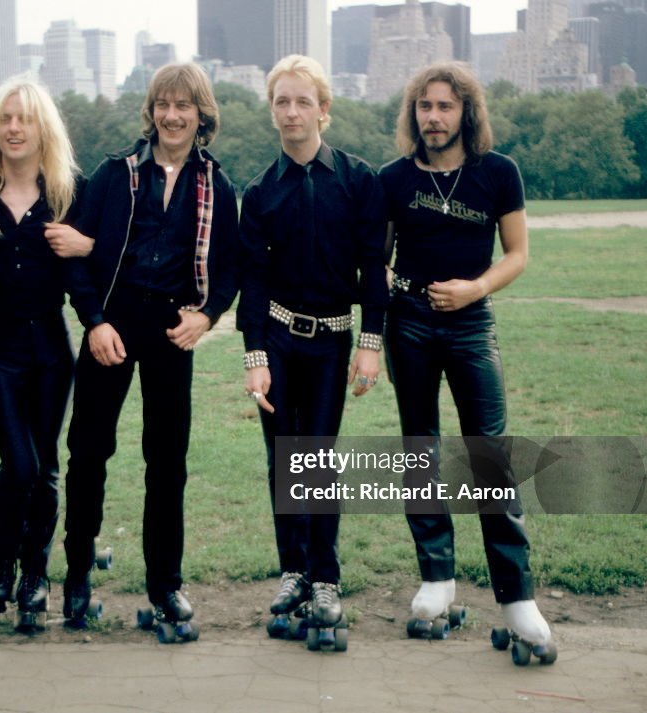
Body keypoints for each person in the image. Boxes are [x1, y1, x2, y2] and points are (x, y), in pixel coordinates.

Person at [379, 62, 554, 658]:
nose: (433, 117)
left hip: (471, 323)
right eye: (424, 107)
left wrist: (474, 289)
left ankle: (516, 595)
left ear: (466, 113)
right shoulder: (393, 178)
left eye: (445, 106)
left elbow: (518, 254)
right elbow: (375, 259)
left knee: (489, 451)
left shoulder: (497, 173)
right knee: (419, 447)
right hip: (409, 323)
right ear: (414, 114)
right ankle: (437, 578)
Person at [61, 63, 239, 631]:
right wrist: (92, 321)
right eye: (163, 104)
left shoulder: (217, 184)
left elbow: (233, 266)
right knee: (88, 452)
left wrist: (207, 316)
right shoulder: (116, 174)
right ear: (151, 111)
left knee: (167, 464)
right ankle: (77, 574)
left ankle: (165, 584)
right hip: (111, 325)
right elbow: (78, 258)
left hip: (171, 330)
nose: (172, 115)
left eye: (184, 105)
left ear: (200, 114)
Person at [236, 54, 387, 638]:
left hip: (331, 342)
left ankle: (325, 576)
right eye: (282, 101)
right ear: (272, 111)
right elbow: (253, 281)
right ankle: (292, 570)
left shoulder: (357, 180)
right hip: (276, 338)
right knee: (282, 460)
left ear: (323, 109)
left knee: (317, 460)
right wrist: (255, 358)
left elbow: (374, 269)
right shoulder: (260, 191)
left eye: (303, 101)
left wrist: (369, 343)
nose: (292, 111)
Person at [0, 78, 90, 628]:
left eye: (24, 119)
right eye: (5, 118)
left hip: (53, 347)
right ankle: (2, 557)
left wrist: (89, 245)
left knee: (46, 468)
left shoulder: (67, 191)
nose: (13, 128)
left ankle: (35, 574)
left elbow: (109, 251)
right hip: (1, 347)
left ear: (41, 129)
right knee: (19, 463)